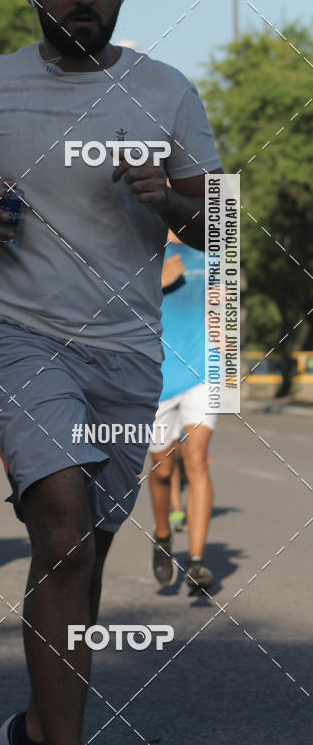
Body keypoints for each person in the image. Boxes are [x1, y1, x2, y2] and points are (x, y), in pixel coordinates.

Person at [0, 0, 223, 745]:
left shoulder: (168, 93)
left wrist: (170, 200)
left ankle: (37, 727)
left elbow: (217, 224)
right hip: (13, 332)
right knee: (59, 519)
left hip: (125, 352)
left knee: (81, 546)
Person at [149, 232, 217, 594]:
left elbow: (225, 313)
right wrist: (155, 284)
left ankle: (196, 562)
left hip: (204, 372)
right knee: (162, 470)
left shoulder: (212, 248)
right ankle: (162, 535)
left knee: (196, 460)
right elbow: (114, 306)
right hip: (157, 376)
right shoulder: (144, 246)